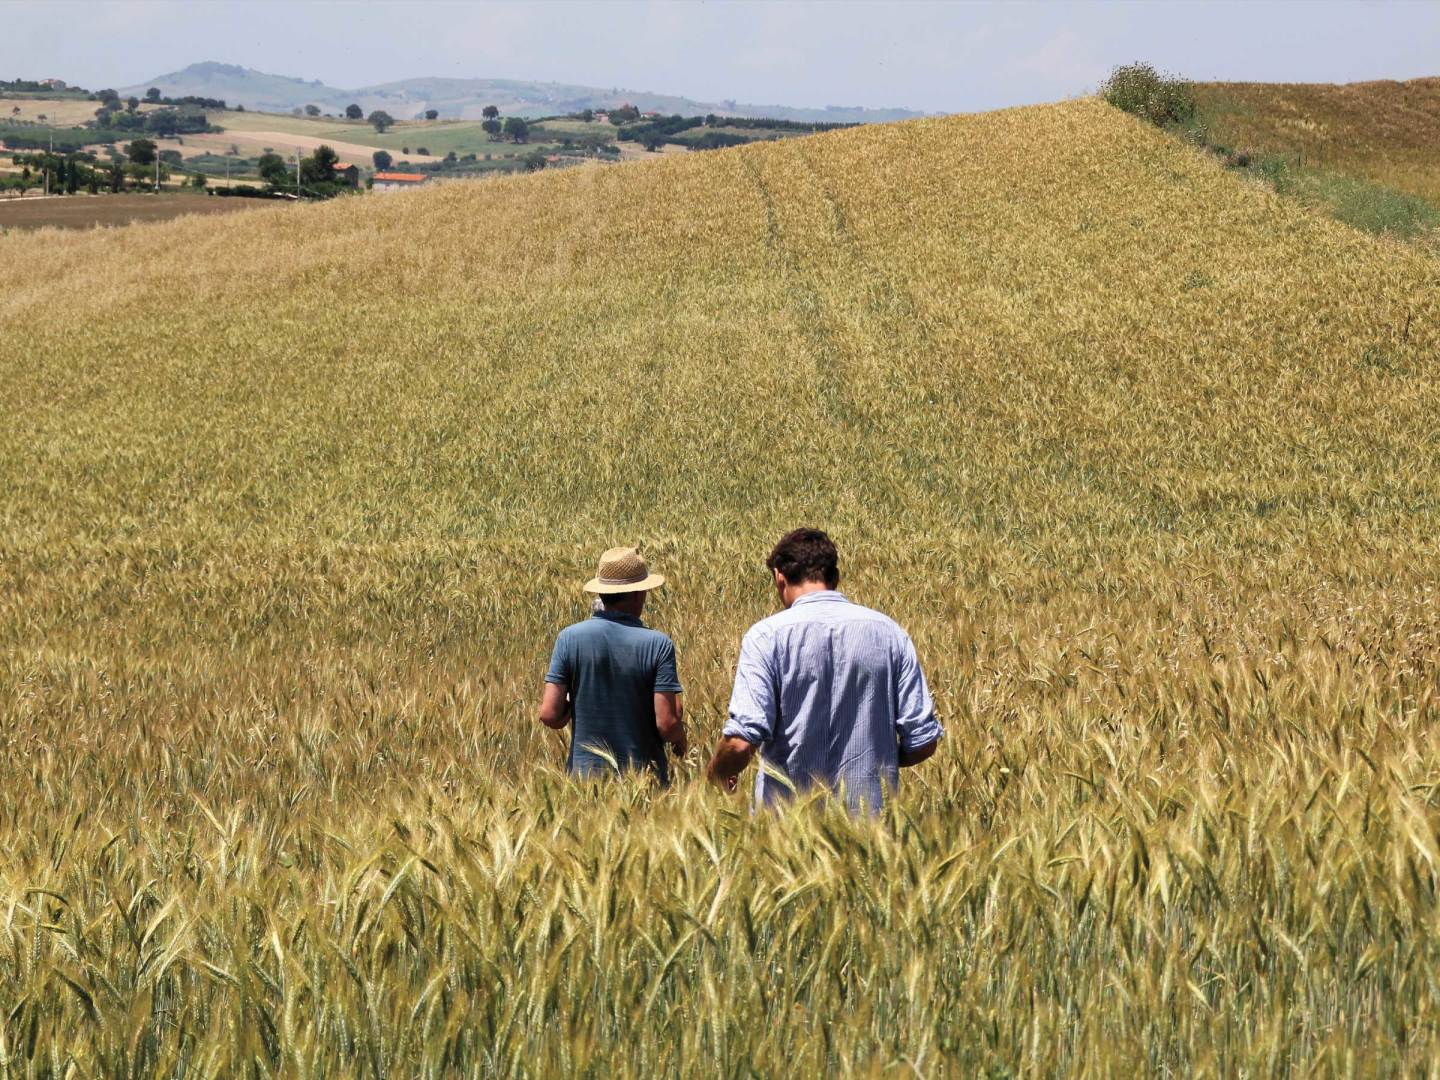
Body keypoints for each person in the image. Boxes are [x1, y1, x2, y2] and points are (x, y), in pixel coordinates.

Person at [707, 528, 942, 812]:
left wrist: (715, 775)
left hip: (785, 834)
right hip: (870, 832)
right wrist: (876, 761)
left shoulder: (765, 637)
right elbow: (924, 741)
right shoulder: (890, 634)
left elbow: (740, 743)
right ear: (835, 577)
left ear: (779, 577)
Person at [540, 546, 687, 783]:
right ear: (640, 593)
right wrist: (680, 736)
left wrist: (575, 700)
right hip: (643, 782)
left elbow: (549, 714)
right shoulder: (659, 644)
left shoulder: (568, 638)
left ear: (602, 593)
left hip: (584, 782)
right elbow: (667, 724)